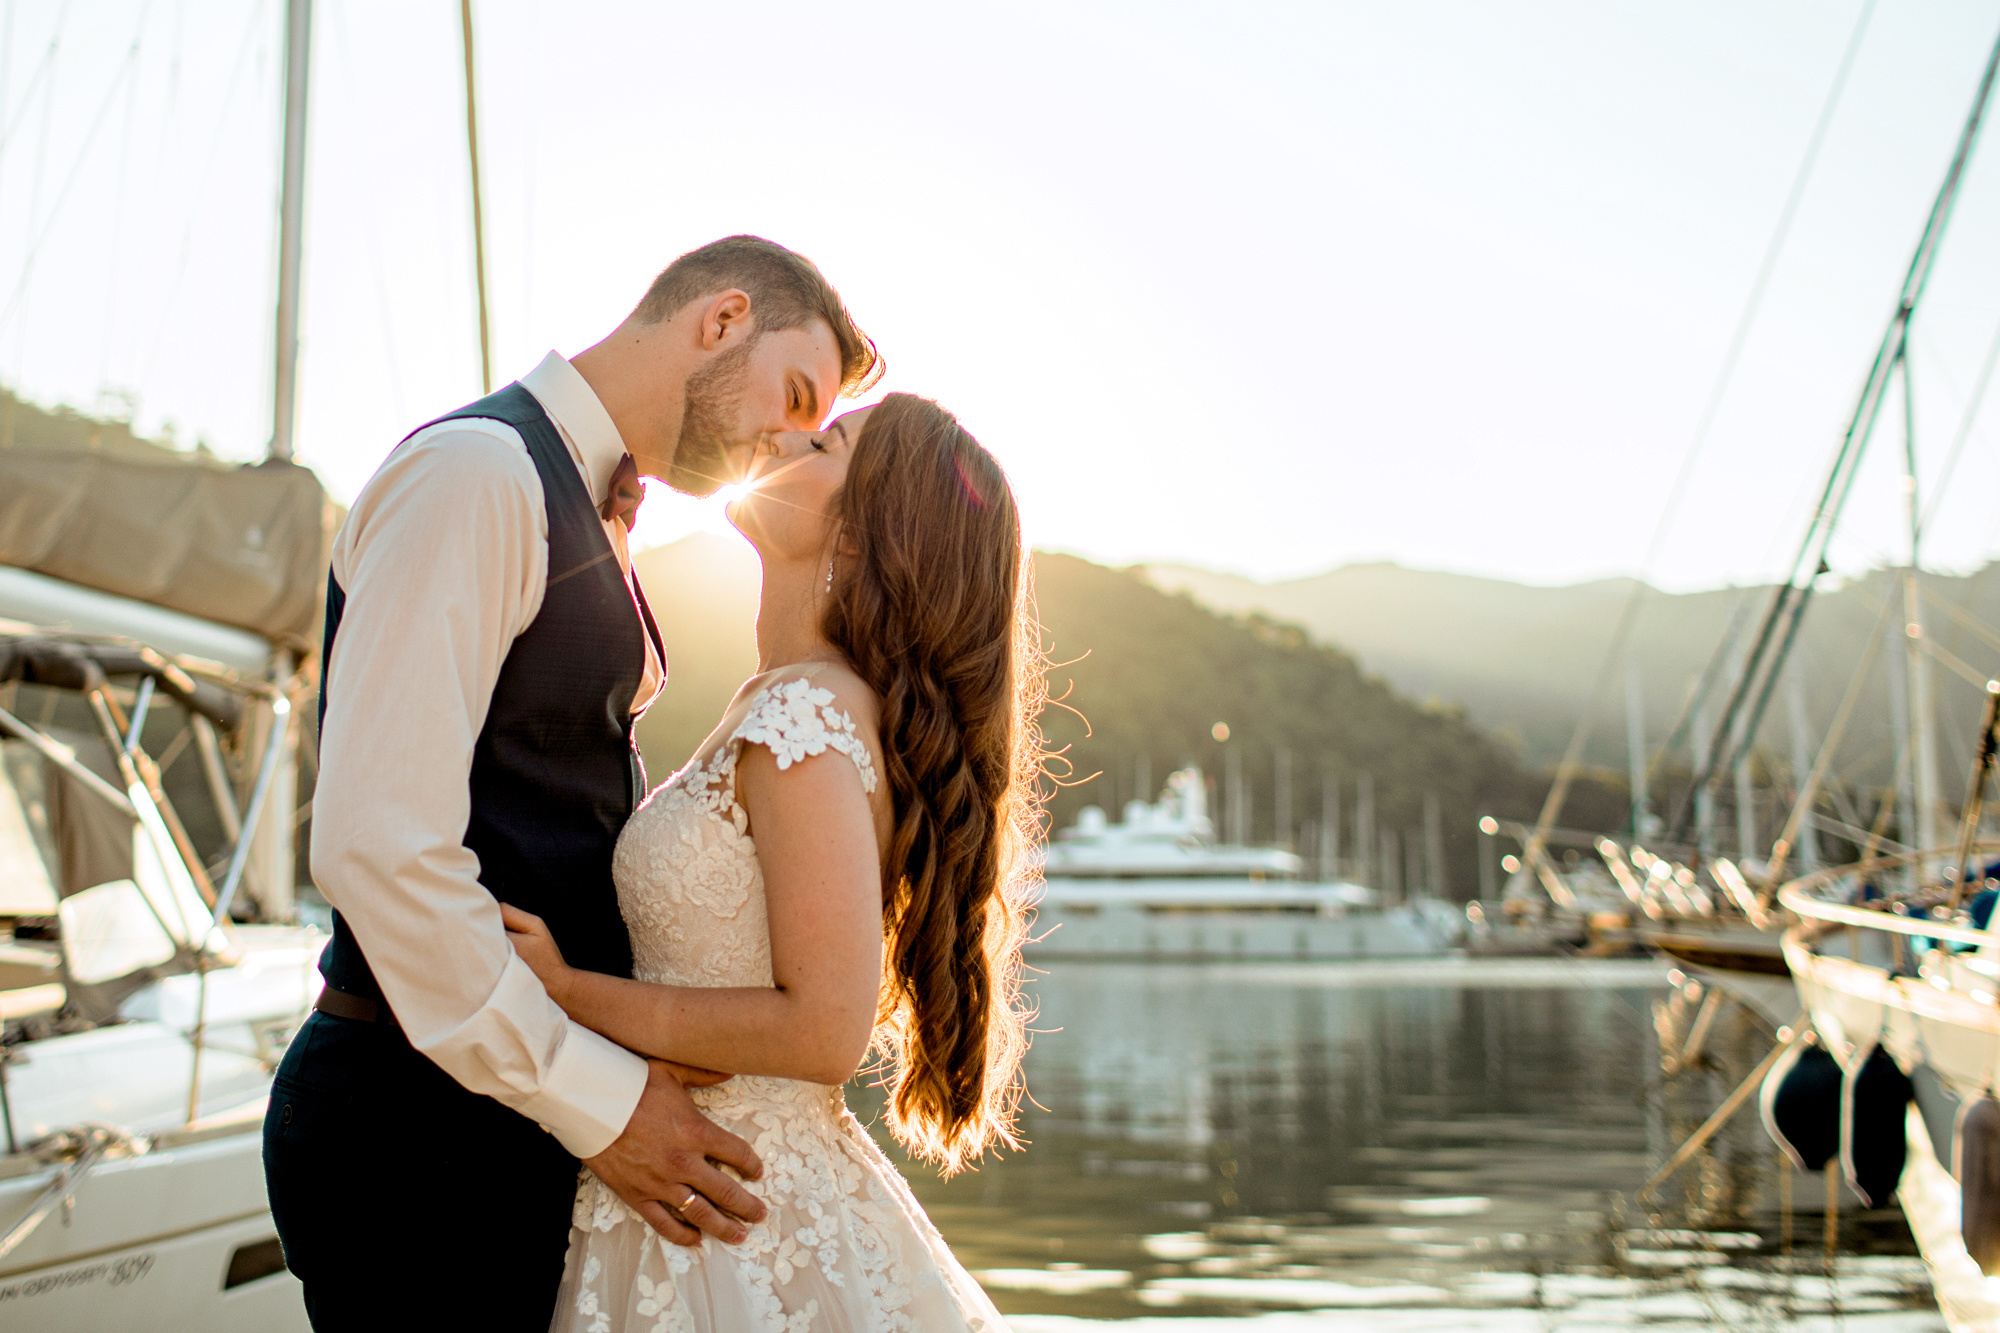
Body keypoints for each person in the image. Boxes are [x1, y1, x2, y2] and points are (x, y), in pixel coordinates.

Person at [262, 236, 880, 1332]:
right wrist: (597, 1102)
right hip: (418, 1127)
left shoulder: (592, 510)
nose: (786, 444)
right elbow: (377, 845)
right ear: (722, 318)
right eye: (794, 397)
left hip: (497, 1116)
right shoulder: (478, 475)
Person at [503, 392, 1043, 1331]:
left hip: (740, 1212)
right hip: (698, 1180)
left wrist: (563, 990)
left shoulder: (808, 720)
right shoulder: (793, 701)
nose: (786, 438)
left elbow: (825, 1028)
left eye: (825, 440)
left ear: (865, 531)